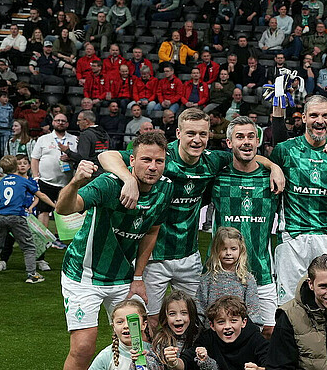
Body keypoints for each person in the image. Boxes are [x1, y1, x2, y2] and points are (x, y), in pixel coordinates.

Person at [99, 108, 281, 328]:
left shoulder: (212, 161)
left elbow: (246, 154)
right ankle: (154, 362)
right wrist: (128, 179)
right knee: (151, 321)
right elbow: (105, 155)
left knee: (196, 320)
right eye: (190, 133)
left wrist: (273, 166)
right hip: (155, 254)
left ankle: (190, 361)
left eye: (202, 134)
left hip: (189, 255)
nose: (197, 140)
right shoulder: (163, 157)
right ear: (178, 133)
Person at [54, 132, 173, 370]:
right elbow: (65, 209)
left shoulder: (165, 190)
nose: (152, 166)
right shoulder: (110, 184)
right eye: (146, 159)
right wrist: (76, 183)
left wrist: (138, 275)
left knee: (137, 339)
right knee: (83, 346)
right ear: (132, 160)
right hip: (85, 275)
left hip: (122, 277)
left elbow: (152, 230)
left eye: (158, 161)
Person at [268, 96, 327, 305]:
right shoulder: (286, 149)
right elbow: (260, 161)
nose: (320, 120)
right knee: (289, 303)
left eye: (325, 115)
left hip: (326, 236)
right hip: (292, 237)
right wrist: (272, 166)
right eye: (314, 115)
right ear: (305, 117)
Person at [209, 116, 280, 338]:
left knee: (269, 330)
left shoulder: (273, 178)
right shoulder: (217, 177)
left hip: (262, 272)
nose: (246, 142)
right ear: (229, 143)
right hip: (224, 274)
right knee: (223, 330)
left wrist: (274, 166)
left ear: (258, 141)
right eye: (239, 137)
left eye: (251, 136)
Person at [0, 154, 55, 283]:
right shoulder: (23, 181)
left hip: (0, 217)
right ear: (16, 166)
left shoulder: (1, 183)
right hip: (17, 216)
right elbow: (40, 195)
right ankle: (32, 275)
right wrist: (55, 205)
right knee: (29, 247)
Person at [195, 227, 259, 327]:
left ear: (240, 250)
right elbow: (200, 311)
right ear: (216, 250)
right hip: (212, 335)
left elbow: (253, 313)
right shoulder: (207, 279)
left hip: (240, 335)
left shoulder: (247, 279)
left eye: (233, 249)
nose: (228, 253)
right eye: (224, 249)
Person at [29, 113, 76, 228]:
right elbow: (35, 159)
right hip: (46, 181)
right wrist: (36, 177)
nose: (60, 123)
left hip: (67, 183)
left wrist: (70, 157)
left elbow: (79, 158)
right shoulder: (43, 139)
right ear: (53, 122)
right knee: (43, 210)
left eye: (63, 121)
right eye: (57, 120)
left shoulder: (74, 139)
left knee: (66, 211)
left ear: (67, 124)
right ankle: (44, 239)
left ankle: (63, 238)